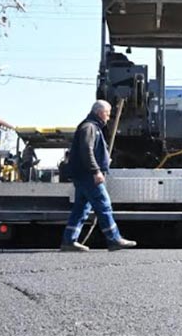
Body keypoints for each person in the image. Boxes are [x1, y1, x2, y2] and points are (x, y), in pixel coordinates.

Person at [60, 100, 136, 252]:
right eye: (107, 114)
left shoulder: (91, 127)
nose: (108, 117)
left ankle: (69, 240)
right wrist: (96, 171)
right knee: (104, 203)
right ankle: (114, 239)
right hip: (88, 175)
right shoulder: (90, 127)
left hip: (82, 175)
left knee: (81, 208)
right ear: (100, 113)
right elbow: (86, 151)